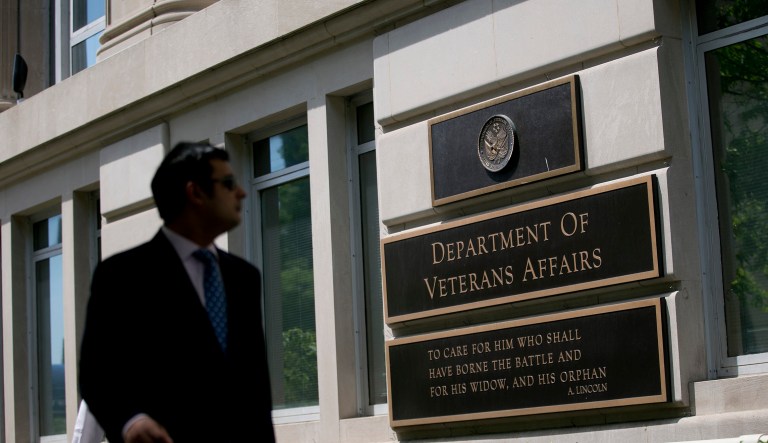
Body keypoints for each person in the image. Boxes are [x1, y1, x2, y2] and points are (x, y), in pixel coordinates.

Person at [79, 142, 275, 443]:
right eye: (228, 183)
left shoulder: (244, 277)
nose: (242, 192)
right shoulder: (123, 276)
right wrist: (131, 421)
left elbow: (255, 390)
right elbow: (97, 372)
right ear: (195, 192)